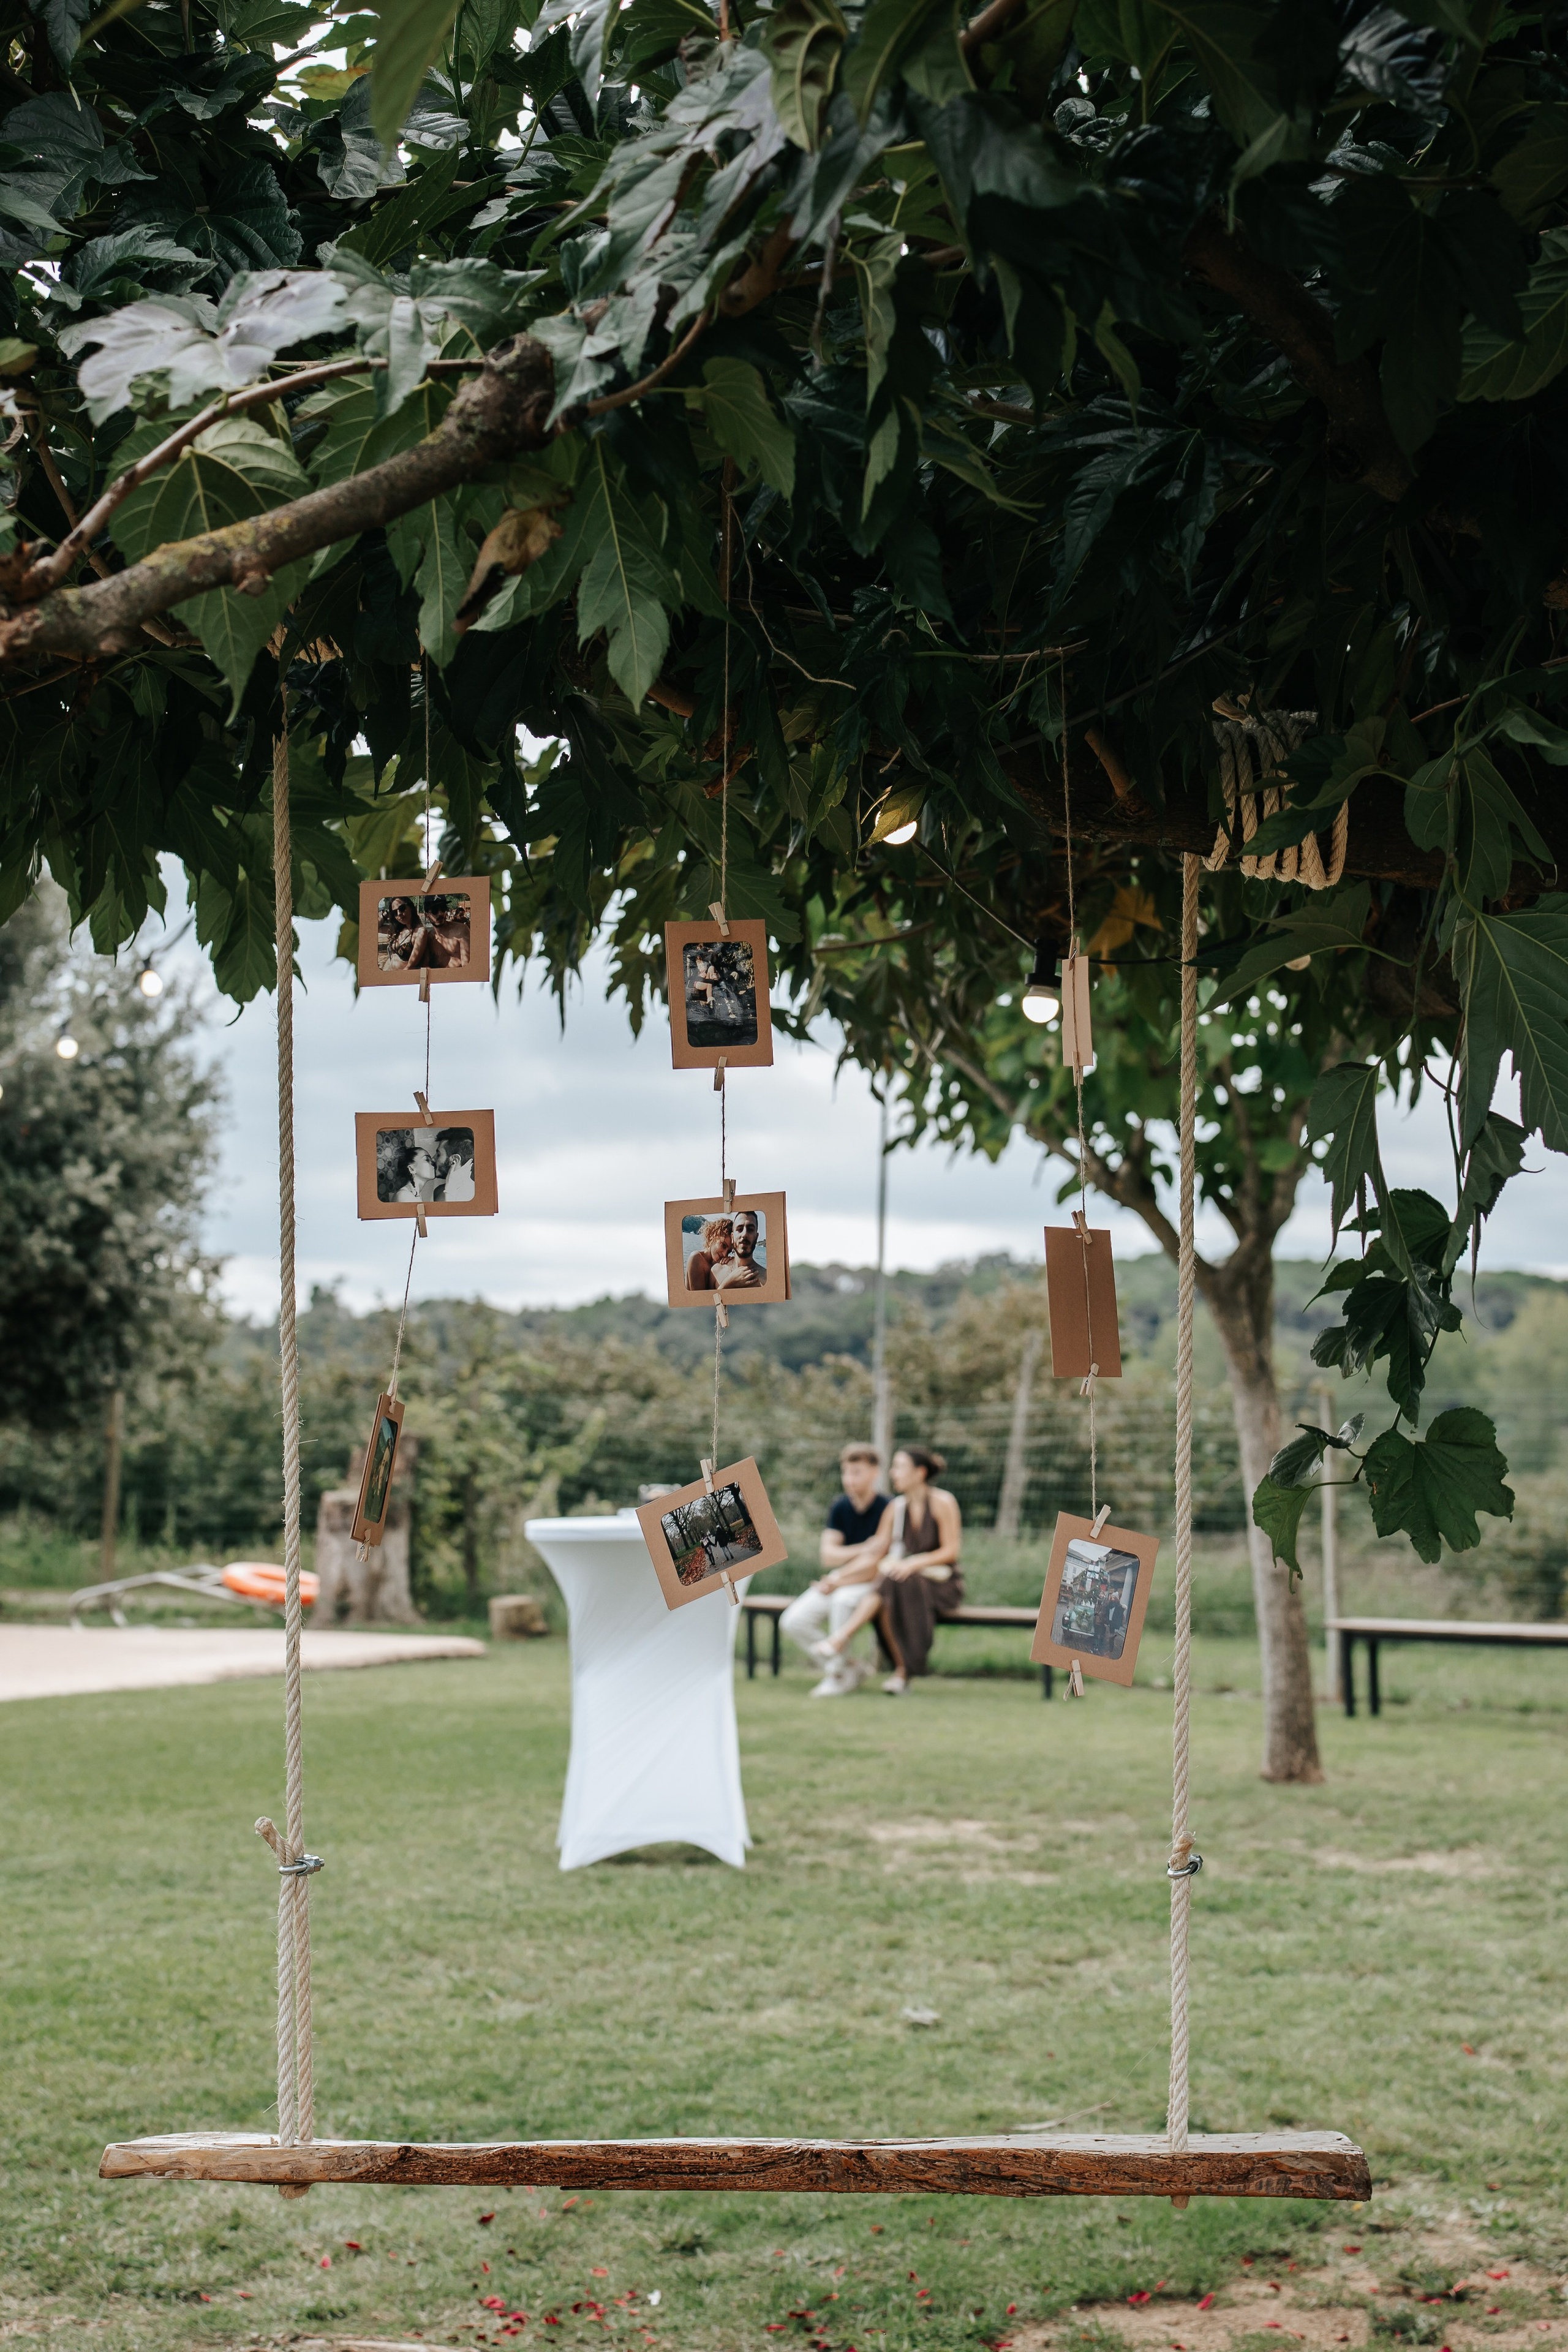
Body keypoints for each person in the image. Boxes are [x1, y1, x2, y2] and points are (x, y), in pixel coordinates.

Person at [811, 1444, 963, 1695]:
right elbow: (875, 1553)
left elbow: (951, 1552)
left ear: (920, 1473)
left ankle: (844, 1640)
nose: (893, 1473)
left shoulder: (943, 1502)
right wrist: (839, 1578)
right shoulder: (896, 1508)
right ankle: (900, 1673)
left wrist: (913, 1564)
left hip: (941, 1584)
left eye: (899, 1467)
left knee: (891, 1582)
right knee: (890, 1583)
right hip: (900, 1582)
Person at [779, 1444, 890, 1697]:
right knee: (793, 1621)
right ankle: (850, 1668)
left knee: (842, 1601)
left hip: (871, 1583)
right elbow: (829, 1555)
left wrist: (841, 1577)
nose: (849, 1480)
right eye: (846, 1473)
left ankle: (837, 1675)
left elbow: (878, 1560)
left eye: (857, 1473)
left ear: (875, 1472)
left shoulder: (888, 1507)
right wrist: (864, 1548)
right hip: (840, 1578)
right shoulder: (840, 1507)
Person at [710, 1207, 765, 1292]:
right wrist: (729, 1283)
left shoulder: (766, 1279)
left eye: (750, 1230)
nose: (745, 1234)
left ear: (757, 1237)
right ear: (732, 1237)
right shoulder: (716, 1271)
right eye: (740, 1229)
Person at [685, 1215, 734, 1289]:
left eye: (729, 1252)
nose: (725, 1254)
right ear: (714, 1236)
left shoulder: (718, 1266)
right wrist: (729, 1283)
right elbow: (700, 1299)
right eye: (723, 1245)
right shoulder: (696, 1258)